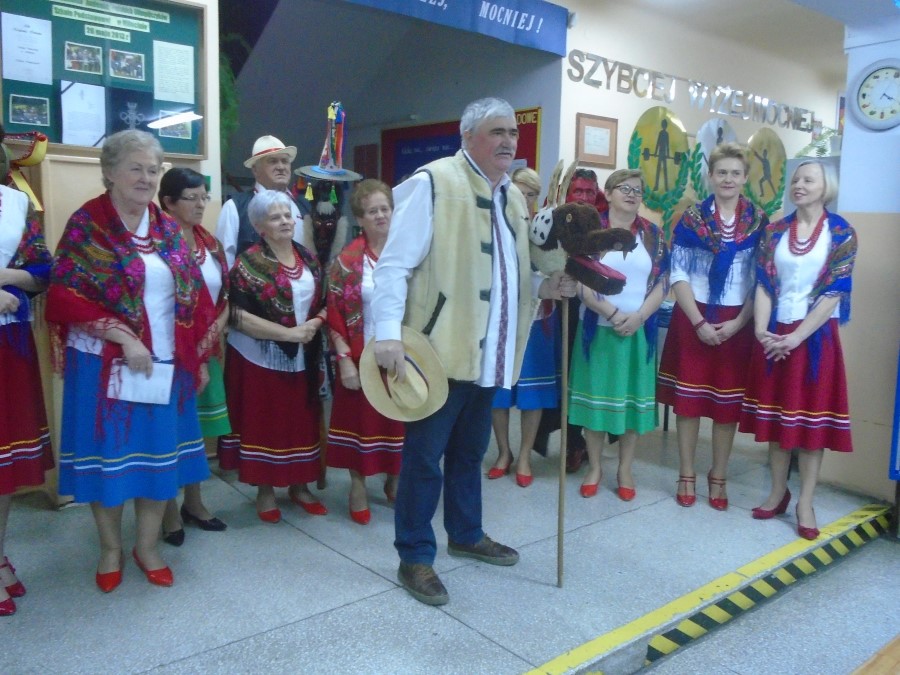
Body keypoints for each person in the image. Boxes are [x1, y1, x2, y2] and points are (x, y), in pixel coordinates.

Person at [372, 97, 573, 606]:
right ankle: (414, 555)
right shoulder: (433, 182)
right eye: (496, 132)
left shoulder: (513, 197)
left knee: (469, 452)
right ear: (468, 137)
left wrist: (546, 286)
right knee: (424, 459)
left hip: (492, 352)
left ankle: (465, 533)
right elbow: (393, 265)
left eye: (513, 133)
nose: (508, 141)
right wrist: (387, 334)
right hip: (439, 351)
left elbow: (513, 273)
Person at [45, 130, 215, 591]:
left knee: (159, 462)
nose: (145, 177)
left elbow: (192, 296)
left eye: (152, 170)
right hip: (101, 366)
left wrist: (197, 358)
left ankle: (147, 547)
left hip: (164, 366)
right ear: (109, 172)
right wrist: (123, 336)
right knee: (108, 462)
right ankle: (110, 549)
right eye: (135, 168)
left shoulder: (165, 228)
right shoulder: (88, 224)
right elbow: (65, 294)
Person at [739, 160, 855, 540]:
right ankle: (777, 492)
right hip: (775, 335)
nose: (799, 185)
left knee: (810, 425)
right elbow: (763, 285)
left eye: (808, 180)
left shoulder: (841, 232)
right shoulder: (774, 231)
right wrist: (761, 330)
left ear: (826, 187)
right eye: (796, 179)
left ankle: (805, 502)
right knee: (777, 421)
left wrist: (797, 337)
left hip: (815, 338)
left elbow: (835, 292)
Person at [657, 143, 767, 509]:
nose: (728, 179)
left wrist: (739, 323)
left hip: (738, 320)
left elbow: (761, 280)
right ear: (711, 176)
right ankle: (686, 473)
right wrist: (699, 322)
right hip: (694, 315)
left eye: (735, 173)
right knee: (688, 403)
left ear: (745, 178)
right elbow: (678, 273)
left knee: (726, 405)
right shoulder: (691, 218)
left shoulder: (758, 220)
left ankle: (718, 475)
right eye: (722, 172)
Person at [218, 190, 327, 522]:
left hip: (303, 356)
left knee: (301, 421)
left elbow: (326, 302)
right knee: (266, 422)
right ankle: (265, 491)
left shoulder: (308, 258)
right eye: (275, 217)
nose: (285, 221)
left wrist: (314, 324)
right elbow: (236, 316)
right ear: (259, 226)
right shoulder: (247, 264)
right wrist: (288, 334)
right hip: (259, 358)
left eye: (288, 215)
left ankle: (300, 486)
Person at [568, 169, 669, 500]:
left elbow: (662, 283)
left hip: (638, 333)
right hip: (597, 330)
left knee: (631, 405)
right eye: (624, 188)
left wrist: (638, 317)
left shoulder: (653, 235)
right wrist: (611, 314)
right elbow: (580, 279)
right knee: (595, 404)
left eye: (637, 190)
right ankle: (595, 467)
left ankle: (625, 468)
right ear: (608, 193)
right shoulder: (590, 232)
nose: (631, 194)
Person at [157, 168, 229, 544]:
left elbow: (225, 296)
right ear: (168, 202)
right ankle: (168, 511)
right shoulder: (156, 243)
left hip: (207, 349)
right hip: (170, 353)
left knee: (197, 431)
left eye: (204, 197)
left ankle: (195, 502)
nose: (201, 204)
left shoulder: (209, 242)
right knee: (170, 431)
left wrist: (210, 337)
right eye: (192, 198)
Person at [325, 179, 404, 524]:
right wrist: (345, 361)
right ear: (360, 219)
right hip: (360, 357)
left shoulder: (408, 254)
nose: (381, 215)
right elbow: (334, 314)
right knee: (360, 426)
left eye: (385, 208)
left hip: (403, 357)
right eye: (373, 211)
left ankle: (395, 480)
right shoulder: (346, 261)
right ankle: (357, 485)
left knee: (400, 422)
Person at [0, 123, 54, 615]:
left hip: (7, 344)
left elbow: (43, 270)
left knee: (3, 466)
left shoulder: (16, 203)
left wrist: (4, 278)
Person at [487, 167, 561, 487]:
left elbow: (555, 265)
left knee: (534, 392)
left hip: (537, 319)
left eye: (532, 195)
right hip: (502, 319)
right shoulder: (495, 223)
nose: (525, 199)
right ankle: (503, 452)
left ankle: (526, 455)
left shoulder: (544, 228)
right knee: (499, 393)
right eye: (520, 192)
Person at [533, 167, 608, 473]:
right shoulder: (551, 218)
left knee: (585, 379)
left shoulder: (603, 221)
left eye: (590, 191)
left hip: (596, 312)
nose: (584, 197)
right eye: (578, 191)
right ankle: (571, 442)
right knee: (561, 375)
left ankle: (583, 443)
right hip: (559, 306)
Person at [216, 135, 310, 269]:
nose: (281, 167)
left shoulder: (303, 206)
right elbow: (224, 263)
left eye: (285, 161)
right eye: (273, 161)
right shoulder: (234, 207)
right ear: (255, 169)